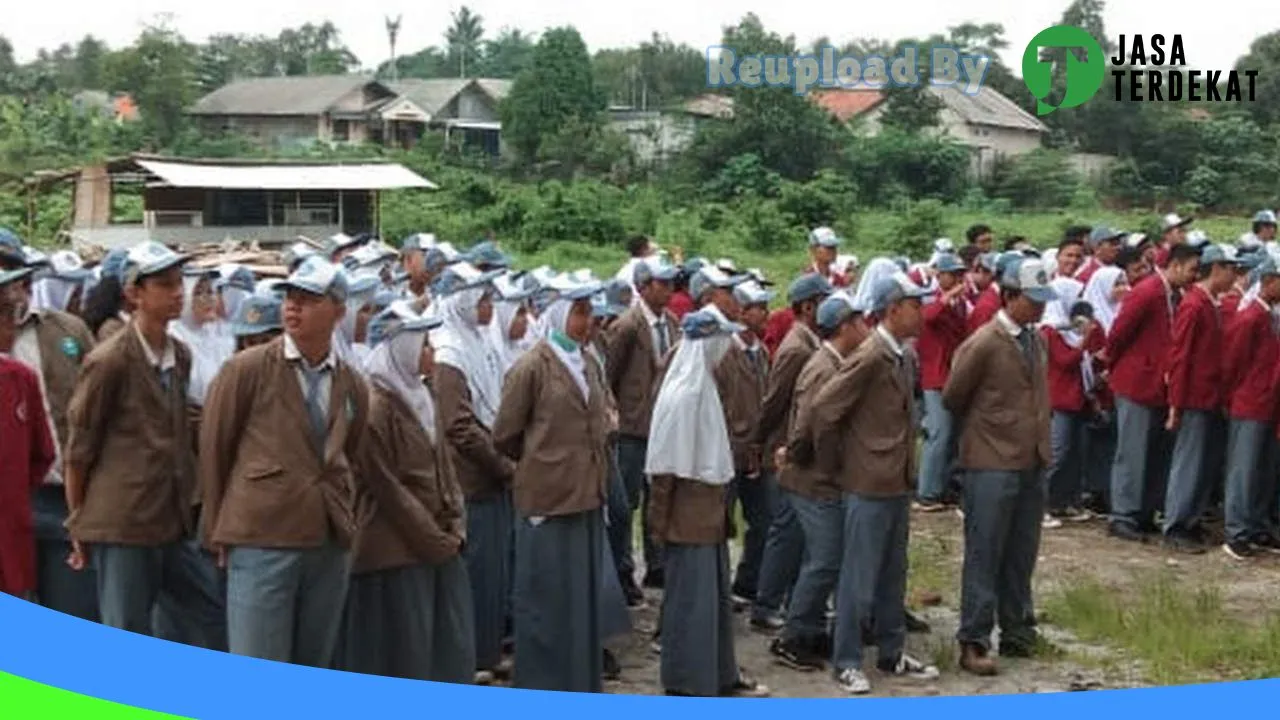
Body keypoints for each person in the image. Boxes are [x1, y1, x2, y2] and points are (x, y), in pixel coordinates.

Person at [200, 255, 371, 668]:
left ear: (338, 310)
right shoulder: (247, 369)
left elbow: (354, 453)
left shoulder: (350, 383)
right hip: (261, 535)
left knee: (313, 662)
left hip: (326, 540)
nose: (293, 307)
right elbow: (215, 448)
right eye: (290, 297)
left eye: (309, 299)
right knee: (259, 663)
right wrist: (218, 531)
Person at [63, 242, 219, 646]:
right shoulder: (109, 360)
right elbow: (79, 449)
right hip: (123, 520)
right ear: (134, 294)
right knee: (126, 630)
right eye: (164, 285)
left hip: (171, 515)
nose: (177, 293)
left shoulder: (179, 354)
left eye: (178, 283)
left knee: (206, 612)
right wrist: (78, 519)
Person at [809, 272, 938, 694]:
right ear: (893, 309)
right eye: (914, 305)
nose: (921, 313)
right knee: (858, 578)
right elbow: (825, 407)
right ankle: (846, 660)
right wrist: (840, 462)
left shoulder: (901, 354)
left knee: (892, 574)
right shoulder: (869, 356)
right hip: (867, 483)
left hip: (895, 481)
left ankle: (891, 651)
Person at [334, 300, 474, 683]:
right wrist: (433, 539)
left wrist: (454, 522)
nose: (431, 354)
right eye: (424, 345)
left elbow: (442, 466)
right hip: (393, 548)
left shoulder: (420, 395)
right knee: (400, 654)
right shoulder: (375, 405)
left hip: (432, 541)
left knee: (437, 648)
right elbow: (387, 489)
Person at [491, 275, 610, 692]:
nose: (586, 322)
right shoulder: (531, 367)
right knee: (544, 598)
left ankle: (578, 680)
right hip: (547, 496)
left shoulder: (588, 361)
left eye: (588, 313)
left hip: (585, 497)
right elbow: (505, 434)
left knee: (578, 598)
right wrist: (544, 462)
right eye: (578, 313)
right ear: (559, 314)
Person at [646, 308, 770, 698]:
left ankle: (718, 673)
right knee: (690, 602)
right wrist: (660, 526)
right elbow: (665, 469)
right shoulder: (683, 395)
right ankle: (688, 680)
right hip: (689, 518)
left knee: (712, 601)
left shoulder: (703, 388)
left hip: (709, 514)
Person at [945, 257, 1057, 676]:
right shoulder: (984, 342)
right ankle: (973, 638)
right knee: (985, 551)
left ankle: (1018, 630)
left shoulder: (1034, 339)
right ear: (1009, 297)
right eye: (1033, 300)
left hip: (1030, 459)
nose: (1041, 308)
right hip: (991, 462)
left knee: (1021, 552)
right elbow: (954, 396)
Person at [768, 292, 869, 671]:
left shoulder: (837, 362)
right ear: (844, 327)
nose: (865, 328)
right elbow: (806, 426)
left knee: (826, 558)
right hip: (813, 480)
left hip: (821, 477)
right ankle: (792, 637)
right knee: (825, 560)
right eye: (858, 322)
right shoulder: (823, 368)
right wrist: (825, 467)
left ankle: (808, 628)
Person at [430, 262, 511, 683]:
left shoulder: (477, 343)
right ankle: (474, 656)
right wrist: (502, 464)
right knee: (475, 575)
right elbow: (459, 426)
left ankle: (489, 648)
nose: (488, 307)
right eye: (481, 300)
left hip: (492, 476)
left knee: (493, 574)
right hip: (471, 479)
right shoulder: (449, 352)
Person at [748, 273, 832, 631]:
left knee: (796, 532)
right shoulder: (797, 347)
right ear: (808, 306)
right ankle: (766, 603)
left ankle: (789, 599)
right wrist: (759, 441)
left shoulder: (810, 341)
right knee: (785, 529)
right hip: (785, 450)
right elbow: (774, 400)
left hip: (797, 450)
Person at [1105, 243, 1202, 542]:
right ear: (1174, 265)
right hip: (1137, 382)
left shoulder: (1176, 295)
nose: (1195, 276)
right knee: (1132, 452)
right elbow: (1119, 333)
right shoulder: (1147, 291)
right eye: (1192, 269)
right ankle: (1123, 514)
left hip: (1159, 385)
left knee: (1155, 452)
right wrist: (1119, 365)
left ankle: (1145, 511)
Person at [603, 258, 680, 592]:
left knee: (659, 496)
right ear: (644, 287)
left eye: (669, 284)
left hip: (662, 424)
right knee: (627, 501)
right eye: (661, 284)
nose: (668, 290)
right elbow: (610, 376)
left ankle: (657, 562)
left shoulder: (673, 322)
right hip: (634, 426)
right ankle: (622, 568)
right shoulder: (627, 325)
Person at [1161, 244, 1239, 553]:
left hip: (1207, 396)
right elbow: (1180, 358)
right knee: (1189, 463)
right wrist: (1175, 404)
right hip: (1193, 397)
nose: (1234, 276)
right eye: (1231, 269)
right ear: (1217, 269)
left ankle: (1189, 521)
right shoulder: (1194, 305)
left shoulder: (1209, 303)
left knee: (1202, 463)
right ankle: (1176, 524)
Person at [713, 280, 773, 606]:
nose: (765, 314)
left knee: (763, 520)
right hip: (729, 450)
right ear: (741, 312)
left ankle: (747, 582)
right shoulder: (723, 352)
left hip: (755, 452)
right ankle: (719, 587)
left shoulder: (761, 351)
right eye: (758, 308)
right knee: (721, 522)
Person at [0, 267, 57, 601]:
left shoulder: (20, 379)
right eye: (4, 312)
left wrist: (12, 494)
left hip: (10, 535)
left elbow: (42, 453)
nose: (11, 322)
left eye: (14, 311)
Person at [1221, 256, 1280, 559]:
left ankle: (1256, 525)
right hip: (1250, 401)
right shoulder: (1251, 318)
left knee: (1262, 469)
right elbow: (1233, 362)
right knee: (1243, 470)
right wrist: (1233, 396)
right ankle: (1236, 531)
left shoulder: (1269, 316)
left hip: (1267, 402)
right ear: (1269, 281)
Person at [1039, 276, 1103, 526]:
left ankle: (1063, 502)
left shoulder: (1069, 330)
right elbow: (1065, 361)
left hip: (1076, 396)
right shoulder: (1050, 330)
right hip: (1059, 397)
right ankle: (1042, 504)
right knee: (1058, 452)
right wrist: (1086, 340)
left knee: (1075, 453)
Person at [915, 252, 969, 511]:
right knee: (939, 433)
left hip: (950, 374)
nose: (959, 279)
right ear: (940, 275)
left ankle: (942, 485)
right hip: (935, 375)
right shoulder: (930, 298)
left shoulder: (960, 303)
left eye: (961, 274)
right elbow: (928, 317)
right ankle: (927, 491)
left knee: (951, 435)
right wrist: (947, 297)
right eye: (953, 274)